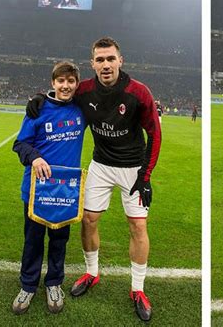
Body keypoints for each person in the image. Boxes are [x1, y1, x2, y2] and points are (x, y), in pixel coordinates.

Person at [26, 37, 161, 322]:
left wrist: (145, 176)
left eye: (110, 58)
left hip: (133, 168)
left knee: (138, 225)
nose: (106, 64)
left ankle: (138, 289)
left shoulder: (138, 92)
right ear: (93, 64)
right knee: (88, 219)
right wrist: (39, 97)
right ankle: (91, 272)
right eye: (100, 60)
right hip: (100, 164)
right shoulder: (84, 90)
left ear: (120, 61)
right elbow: (60, 95)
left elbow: (155, 134)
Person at [12, 61, 85, 315]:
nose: (65, 86)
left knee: (59, 241)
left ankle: (54, 283)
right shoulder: (38, 110)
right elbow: (20, 145)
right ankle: (28, 286)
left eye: (71, 81)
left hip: (66, 192)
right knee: (33, 240)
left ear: (76, 84)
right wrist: (35, 157)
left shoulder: (81, 109)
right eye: (61, 81)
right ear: (53, 82)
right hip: (36, 191)